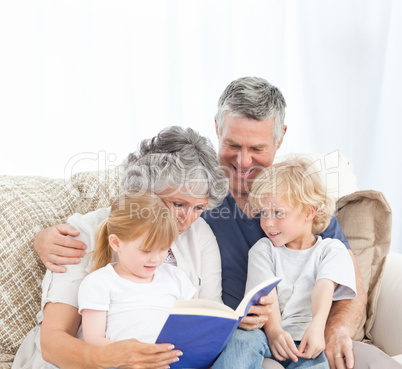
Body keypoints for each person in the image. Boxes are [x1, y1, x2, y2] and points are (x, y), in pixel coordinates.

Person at [13, 126, 272, 369]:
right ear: (143, 191)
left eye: (199, 207)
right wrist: (115, 357)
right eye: (178, 204)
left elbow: (206, 317)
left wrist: (233, 324)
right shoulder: (87, 232)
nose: (188, 219)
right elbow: (53, 342)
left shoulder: (199, 234)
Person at [202, 76, 402, 369]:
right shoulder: (195, 199)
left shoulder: (298, 195)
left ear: (280, 137)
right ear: (218, 129)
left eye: (256, 149)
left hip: (307, 337)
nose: (243, 161)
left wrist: (335, 330)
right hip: (243, 339)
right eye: (232, 145)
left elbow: (347, 281)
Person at [214, 157, 357, 369]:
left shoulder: (331, 250)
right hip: (266, 335)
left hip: (309, 337)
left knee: (318, 362)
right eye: (263, 213)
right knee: (241, 340)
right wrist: (274, 332)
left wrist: (317, 327)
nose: (268, 222)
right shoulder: (263, 250)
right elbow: (266, 297)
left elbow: (323, 289)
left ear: (309, 212)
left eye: (278, 213)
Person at [78, 190, 195, 346]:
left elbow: (194, 325)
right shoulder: (99, 283)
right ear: (116, 243)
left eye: (163, 249)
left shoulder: (175, 277)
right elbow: (93, 340)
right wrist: (134, 355)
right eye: (146, 250)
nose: (155, 259)